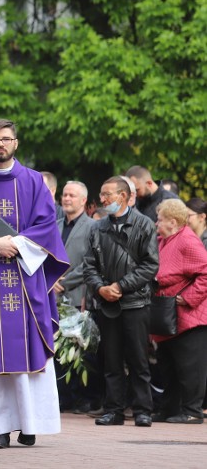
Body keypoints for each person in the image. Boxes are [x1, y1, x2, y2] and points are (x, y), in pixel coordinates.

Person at [0, 118, 69, 449]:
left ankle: (30, 423)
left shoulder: (35, 181)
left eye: (6, 139)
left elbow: (47, 224)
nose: (0, 144)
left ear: (15, 143)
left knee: (29, 352)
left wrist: (17, 244)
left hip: (25, 280)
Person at [83, 176, 159, 427]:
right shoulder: (97, 228)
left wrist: (120, 286)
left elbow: (150, 265)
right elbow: (89, 266)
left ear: (124, 196)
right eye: (102, 195)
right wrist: (101, 288)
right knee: (111, 360)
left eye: (108, 195)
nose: (102, 199)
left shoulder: (144, 224)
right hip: (107, 303)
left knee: (138, 359)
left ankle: (142, 410)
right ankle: (113, 409)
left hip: (136, 302)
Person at [151, 199, 207, 423]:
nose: (156, 223)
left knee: (189, 367)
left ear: (173, 222)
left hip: (189, 315)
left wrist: (189, 297)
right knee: (169, 365)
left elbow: (205, 272)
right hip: (168, 314)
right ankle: (170, 408)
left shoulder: (187, 240)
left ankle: (192, 412)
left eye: (160, 219)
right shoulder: (165, 239)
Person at [52, 181, 100, 414]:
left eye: (72, 195)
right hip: (53, 294)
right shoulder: (55, 225)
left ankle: (84, 397)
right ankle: (63, 396)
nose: (67, 198)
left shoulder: (93, 227)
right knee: (59, 348)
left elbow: (90, 262)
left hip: (79, 293)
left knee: (81, 349)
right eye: (65, 194)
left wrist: (64, 282)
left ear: (83, 200)